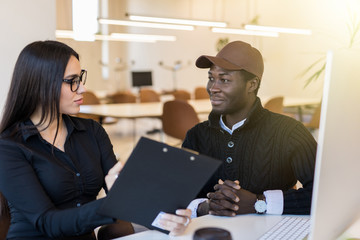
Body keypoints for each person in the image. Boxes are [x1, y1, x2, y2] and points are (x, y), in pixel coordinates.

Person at [0, 40, 190, 240]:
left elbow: (126, 194)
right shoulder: (9, 146)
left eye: (80, 78)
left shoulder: (92, 131)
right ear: (41, 84)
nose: (82, 88)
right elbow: (48, 223)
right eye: (72, 80)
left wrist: (166, 217)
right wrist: (114, 202)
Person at [184, 41, 317, 218]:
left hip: (272, 234)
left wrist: (259, 202)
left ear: (252, 85)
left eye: (224, 80)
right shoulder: (196, 136)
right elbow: (178, 197)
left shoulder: (289, 131)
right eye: (211, 78)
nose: (213, 88)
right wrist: (206, 207)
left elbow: (325, 193)